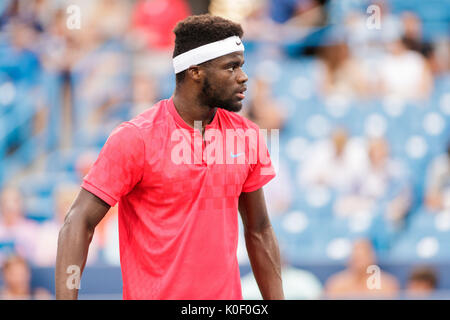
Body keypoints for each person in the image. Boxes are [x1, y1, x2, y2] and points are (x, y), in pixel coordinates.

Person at [56, 14, 284, 300]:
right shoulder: (135, 137)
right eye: (231, 67)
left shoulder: (247, 135)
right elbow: (78, 220)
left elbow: (260, 230)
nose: (243, 76)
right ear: (195, 71)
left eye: (242, 65)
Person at [324, 238, 399, 299]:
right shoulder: (336, 284)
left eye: (362, 257)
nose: (359, 263)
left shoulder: (387, 285)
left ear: (372, 258)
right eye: (356, 257)